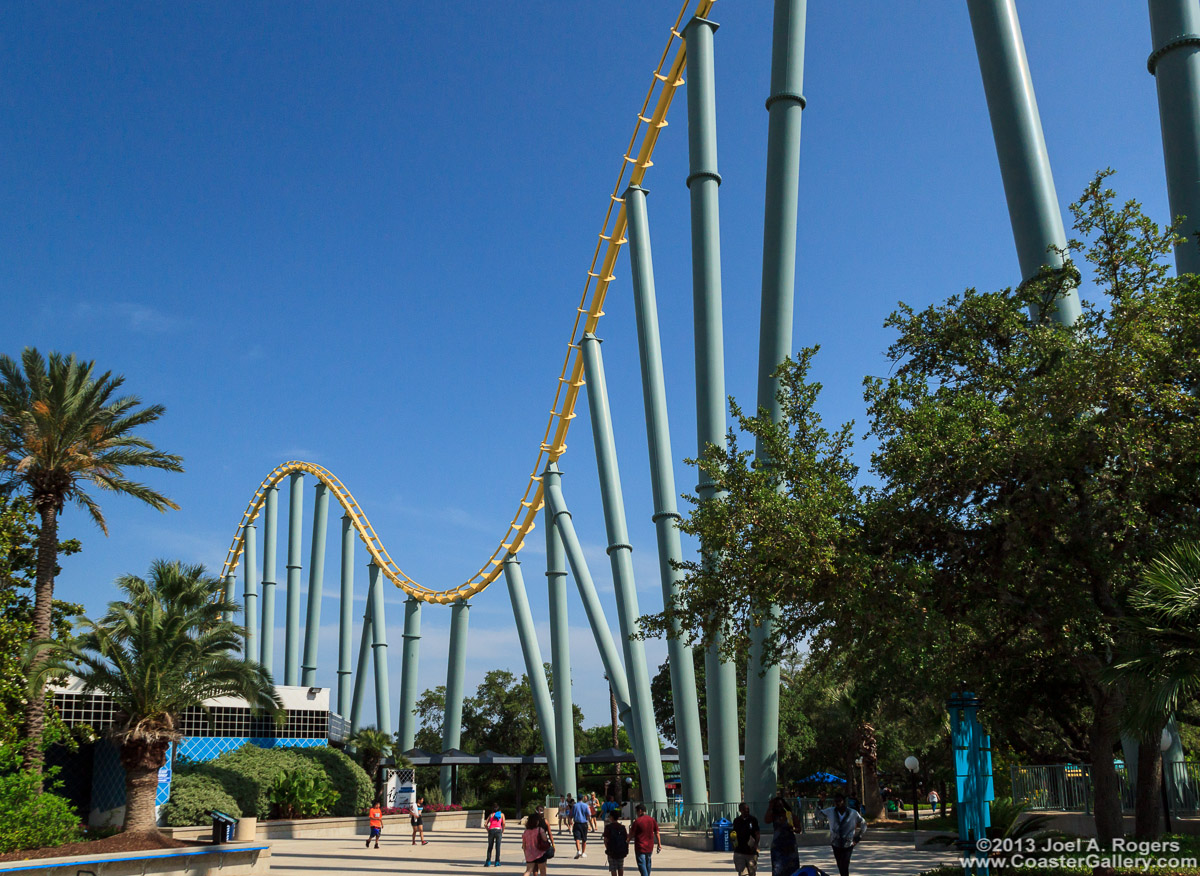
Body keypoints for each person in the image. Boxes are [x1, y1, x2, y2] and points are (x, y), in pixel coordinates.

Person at [820, 792, 867, 876]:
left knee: (845, 864)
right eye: (836, 801)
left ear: (844, 801)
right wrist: (821, 803)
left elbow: (863, 823)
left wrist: (858, 837)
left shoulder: (853, 813)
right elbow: (818, 815)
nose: (837, 803)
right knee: (839, 864)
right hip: (835, 843)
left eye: (839, 801)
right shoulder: (830, 811)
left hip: (848, 843)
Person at [628, 803, 661, 876]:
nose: (636, 814)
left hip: (640, 846)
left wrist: (627, 841)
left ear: (640, 811)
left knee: (641, 864)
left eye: (636, 812)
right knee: (648, 863)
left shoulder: (637, 821)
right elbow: (657, 833)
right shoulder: (652, 820)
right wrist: (659, 844)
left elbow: (631, 834)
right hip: (649, 846)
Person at [732, 801, 760, 876]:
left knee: (752, 872)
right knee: (742, 873)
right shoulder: (736, 821)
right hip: (739, 851)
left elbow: (757, 833)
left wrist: (756, 844)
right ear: (740, 810)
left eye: (748, 809)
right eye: (744, 809)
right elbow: (734, 834)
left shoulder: (753, 820)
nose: (746, 811)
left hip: (751, 852)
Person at [602, 809, 629, 876]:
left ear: (611, 817)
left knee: (613, 868)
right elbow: (626, 839)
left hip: (612, 850)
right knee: (620, 866)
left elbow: (605, 839)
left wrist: (607, 848)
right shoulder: (622, 827)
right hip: (621, 850)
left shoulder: (608, 827)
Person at [572, 792, 592, 858]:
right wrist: (589, 824)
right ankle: (583, 853)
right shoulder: (585, 805)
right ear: (582, 798)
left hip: (577, 823)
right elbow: (588, 815)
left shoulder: (574, 806)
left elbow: (571, 815)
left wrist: (570, 821)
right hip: (584, 823)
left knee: (577, 838)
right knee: (584, 838)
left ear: (577, 798)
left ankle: (578, 851)